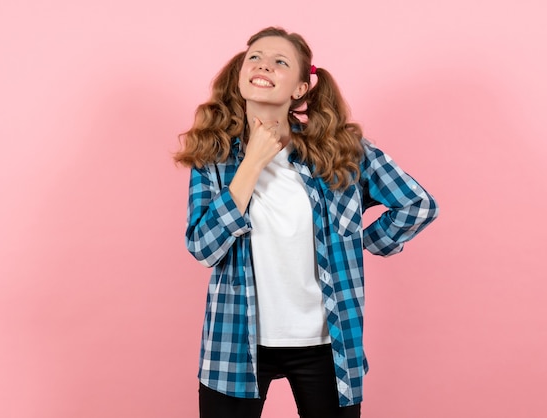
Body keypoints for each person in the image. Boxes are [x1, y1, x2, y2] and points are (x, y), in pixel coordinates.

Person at [175, 26, 439, 418]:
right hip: (235, 341)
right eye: (255, 57)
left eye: (280, 61)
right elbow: (203, 248)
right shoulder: (213, 157)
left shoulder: (340, 151)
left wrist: (364, 241)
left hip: (326, 342)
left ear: (300, 88)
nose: (263, 65)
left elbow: (417, 204)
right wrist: (251, 164)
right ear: (241, 74)